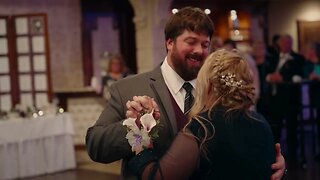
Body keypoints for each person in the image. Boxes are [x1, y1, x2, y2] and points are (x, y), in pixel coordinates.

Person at [86, 7, 286, 180]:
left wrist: (269, 162)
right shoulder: (129, 88)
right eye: (191, 41)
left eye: (205, 44)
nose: (199, 50)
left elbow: (239, 138)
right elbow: (96, 145)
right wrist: (135, 129)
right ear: (169, 42)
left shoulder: (218, 88)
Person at [127, 49, 276, 179]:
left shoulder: (203, 129)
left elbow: (158, 177)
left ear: (209, 85)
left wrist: (139, 142)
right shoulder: (261, 122)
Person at [265, 34, 305, 162]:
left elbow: (299, 76)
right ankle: (275, 155)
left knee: (292, 128)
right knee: (275, 127)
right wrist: (270, 77)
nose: (286, 45)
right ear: (280, 44)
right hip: (275, 99)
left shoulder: (298, 58)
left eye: (289, 42)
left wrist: (283, 78)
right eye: (284, 42)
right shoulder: (273, 57)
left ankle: (292, 156)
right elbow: (266, 73)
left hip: (291, 100)